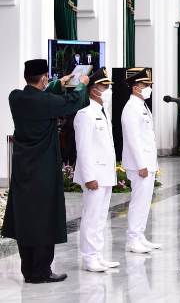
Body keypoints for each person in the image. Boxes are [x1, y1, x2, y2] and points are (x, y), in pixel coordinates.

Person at [1, 59, 88, 283]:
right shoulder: (46, 101)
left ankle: (28, 270)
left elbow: (40, 97)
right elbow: (72, 102)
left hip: (22, 170)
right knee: (44, 221)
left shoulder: (15, 97)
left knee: (26, 220)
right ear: (43, 78)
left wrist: (57, 83)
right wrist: (81, 84)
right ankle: (41, 271)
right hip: (43, 171)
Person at [73, 68, 119, 272]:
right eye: (105, 86)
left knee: (101, 217)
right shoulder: (84, 114)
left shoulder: (103, 112)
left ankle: (97, 254)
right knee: (92, 216)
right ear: (93, 90)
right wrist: (89, 177)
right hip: (94, 176)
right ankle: (88, 256)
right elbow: (83, 149)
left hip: (106, 174)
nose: (108, 90)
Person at [121, 68, 161, 249]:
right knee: (139, 201)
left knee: (145, 202)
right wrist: (141, 165)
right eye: (145, 85)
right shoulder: (131, 108)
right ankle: (132, 238)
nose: (148, 88)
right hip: (140, 165)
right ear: (136, 87)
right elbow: (133, 139)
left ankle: (140, 235)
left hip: (148, 162)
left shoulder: (142, 105)